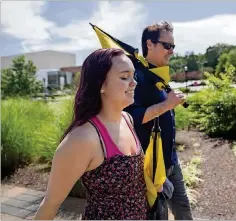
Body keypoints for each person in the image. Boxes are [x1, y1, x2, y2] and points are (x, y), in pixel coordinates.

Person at [34, 48, 149, 220]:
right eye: (125, 77)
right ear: (101, 84)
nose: (134, 83)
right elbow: (50, 204)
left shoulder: (127, 119)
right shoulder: (83, 138)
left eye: (134, 76)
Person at [124, 21, 193, 220]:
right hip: (151, 167)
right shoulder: (135, 77)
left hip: (171, 160)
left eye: (173, 46)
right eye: (167, 45)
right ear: (150, 44)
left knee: (184, 213)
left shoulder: (160, 75)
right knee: (157, 216)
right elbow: (131, 117)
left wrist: (170, 101)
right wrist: (165, 105)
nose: (171, 51)